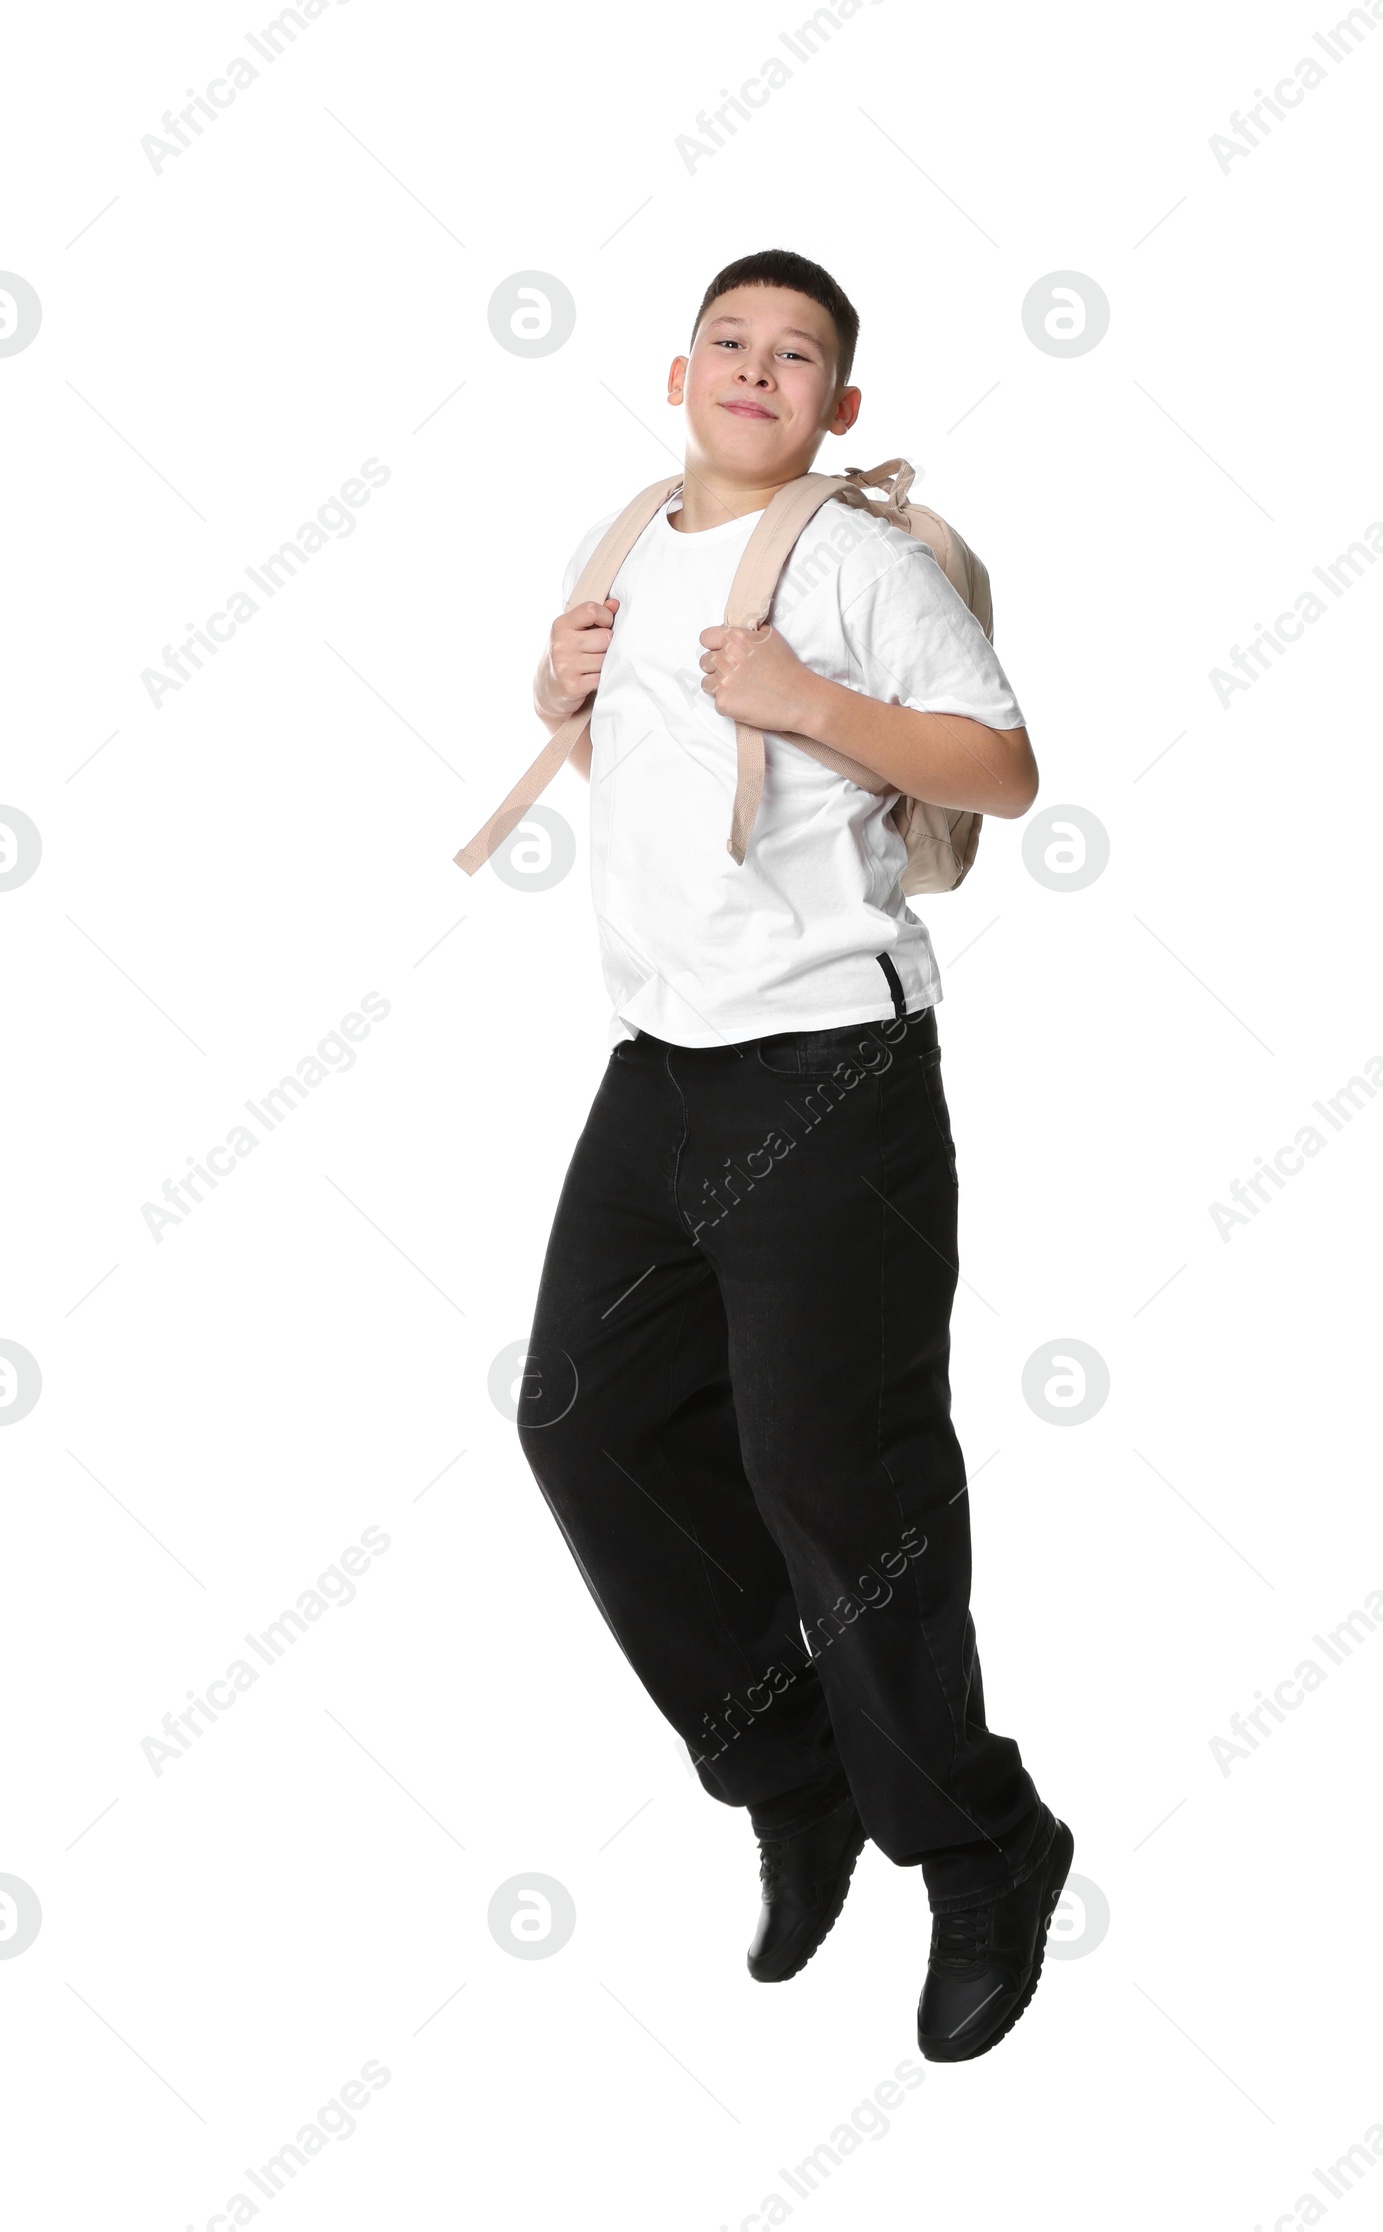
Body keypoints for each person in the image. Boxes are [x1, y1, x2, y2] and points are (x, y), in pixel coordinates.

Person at [516, 247, 1071, 2062]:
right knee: (586, 1418)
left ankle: (984, 1842)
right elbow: (664, 787)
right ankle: (795, 1771)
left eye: (800, 355)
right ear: (678, 372)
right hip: (661, 1069)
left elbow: (999, 769)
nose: (760, 370)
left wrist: (809, 701)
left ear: (840, 408)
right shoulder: (626, 535)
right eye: (732, 343)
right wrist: (560, 699)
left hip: (832, 1075)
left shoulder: (857, 560)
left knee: (843, 1482)